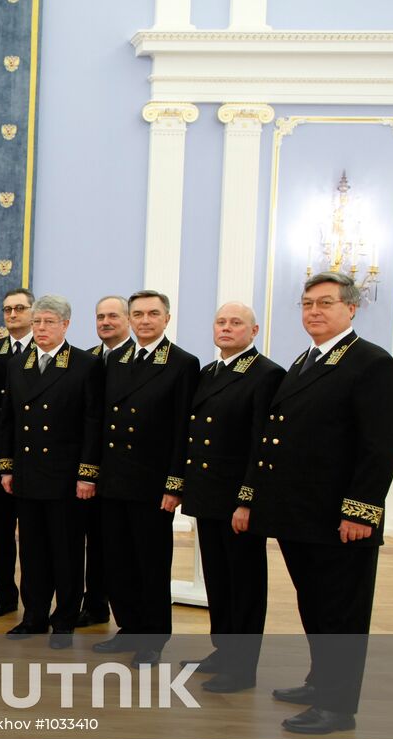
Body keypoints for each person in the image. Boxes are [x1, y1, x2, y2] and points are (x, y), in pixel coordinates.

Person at [242, 271, 393, 734]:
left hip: (339, 518)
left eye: (326, 303)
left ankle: (338, 706)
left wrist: (360, 511)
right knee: (314, 605)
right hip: (300, 515)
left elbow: (381, 446)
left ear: (351, 309)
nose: (314, 311)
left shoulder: (372, 364)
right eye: (308, 303)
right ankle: (321, 681)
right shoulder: (307, 360)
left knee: (342, 614)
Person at [178, 302, 284, 693]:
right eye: (220, 321)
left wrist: (248, 500)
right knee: (218, 580)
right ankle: (223, 649)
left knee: (245, 583)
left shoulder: (266, 374)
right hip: (208, 495)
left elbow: (262, 443)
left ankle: (243, 667)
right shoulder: (210, 372)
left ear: (253, 331)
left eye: (235, 323)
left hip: (237, 498)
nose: (226, 328)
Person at [92, 290, 198, 667]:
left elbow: (184, 427)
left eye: (153, 313)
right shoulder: (115, 361)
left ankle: (154, 637)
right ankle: (129, 627)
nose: (145, 320)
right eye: (138, 314)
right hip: (113, 480)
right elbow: (99, 421)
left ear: (166, 318)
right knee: (116, 561)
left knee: (150, 563)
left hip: (151, 484)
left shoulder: (183, 363)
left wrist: (175, 483)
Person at [0, 295, 102, 648]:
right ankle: (34, 616)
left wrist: (87, 474)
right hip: (27, 474)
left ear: (66, 326)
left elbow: (92, 424)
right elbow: (8, 419)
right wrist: (7, 468)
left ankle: (65, 620)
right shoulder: (18, 364)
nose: (40, 328)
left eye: (48, 323)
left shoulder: (85, 365)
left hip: (65, 478)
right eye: (37, 322)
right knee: (32, 551)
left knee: (66, 551)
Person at [0, 287, 36, 618]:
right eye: (7, 310)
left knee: (32, 538)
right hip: (1, 459)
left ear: (32, 311)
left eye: (19, 308)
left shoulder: (46, 351)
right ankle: (5, 595)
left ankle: (35, 601)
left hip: (34, 461)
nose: (13, 314)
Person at [78, 296, 133, 628]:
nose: (106, 322)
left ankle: (124, 613)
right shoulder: (88, 360)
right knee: (94, 543)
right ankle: (95, 603)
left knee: (120, 548)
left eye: (113, 316)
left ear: (126, 320)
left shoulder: (136, 359)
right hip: (90, 470)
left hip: (124, 472)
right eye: (100, 317)